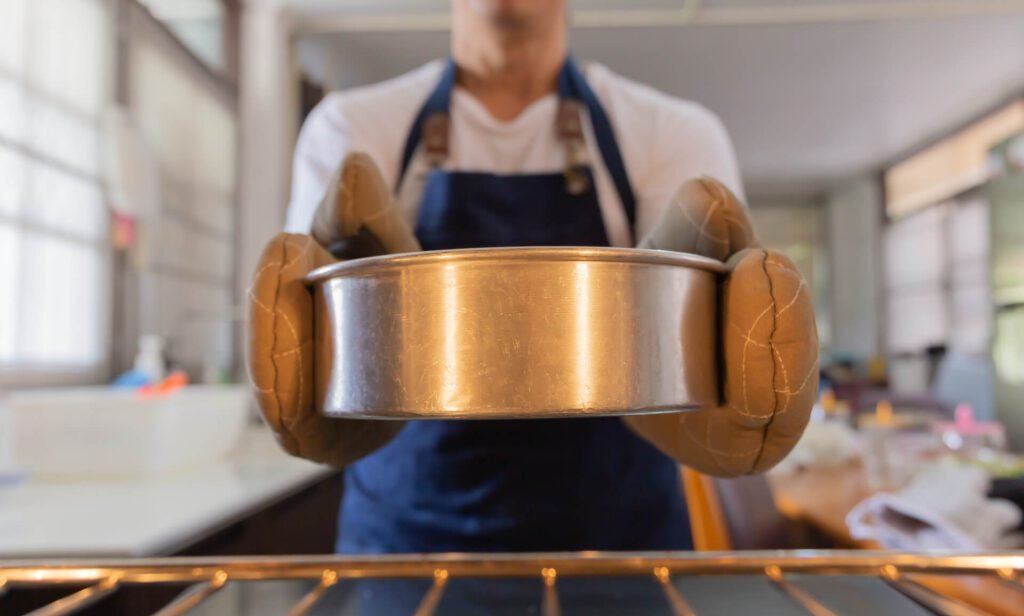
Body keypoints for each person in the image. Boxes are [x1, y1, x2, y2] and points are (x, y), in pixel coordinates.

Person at [248, 0, 819, 555]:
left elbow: (707, 348)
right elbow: (317, 347)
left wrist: (702, 377)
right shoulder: (349, 129)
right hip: (404, 554)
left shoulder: (672, 135)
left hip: (619, 556)